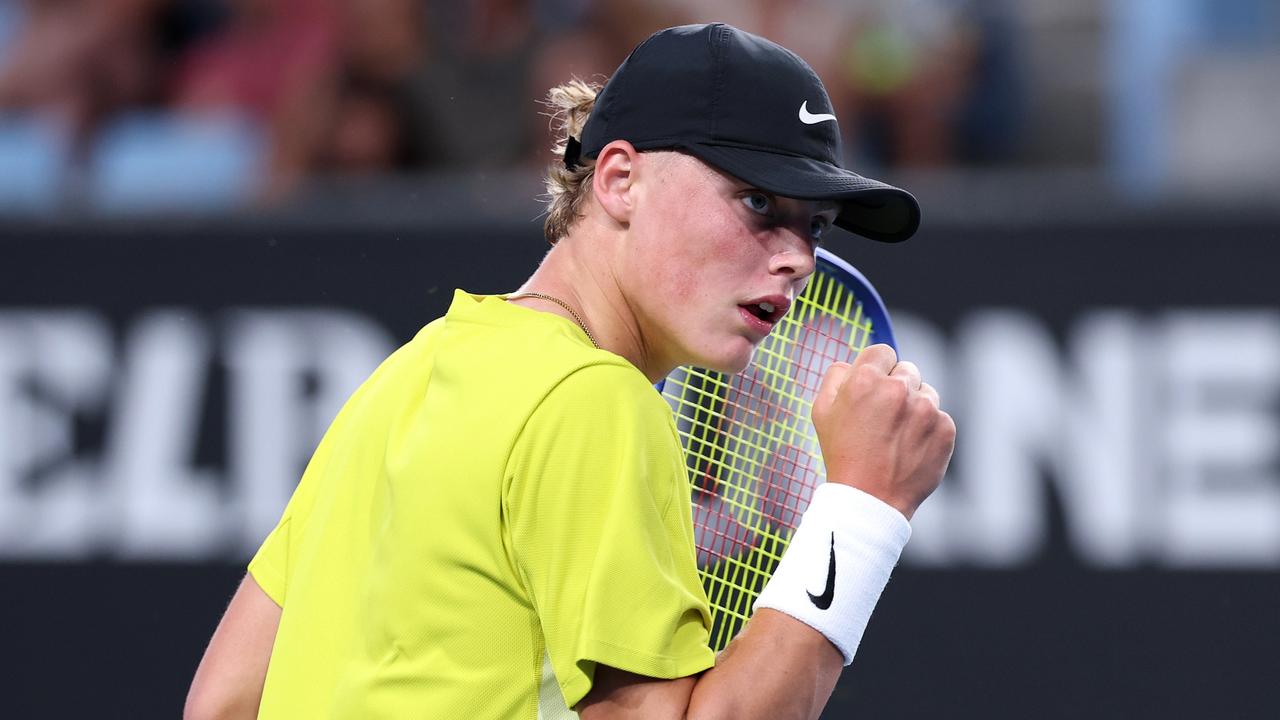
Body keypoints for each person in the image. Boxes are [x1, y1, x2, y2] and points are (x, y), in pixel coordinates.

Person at [184, 23, 954, 720]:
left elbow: (223, 703)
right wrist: (861, 509)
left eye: (813, 225)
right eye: (756, 203)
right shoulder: (597, 402)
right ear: (619, 181)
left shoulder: (411, 370)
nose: (797, 257)